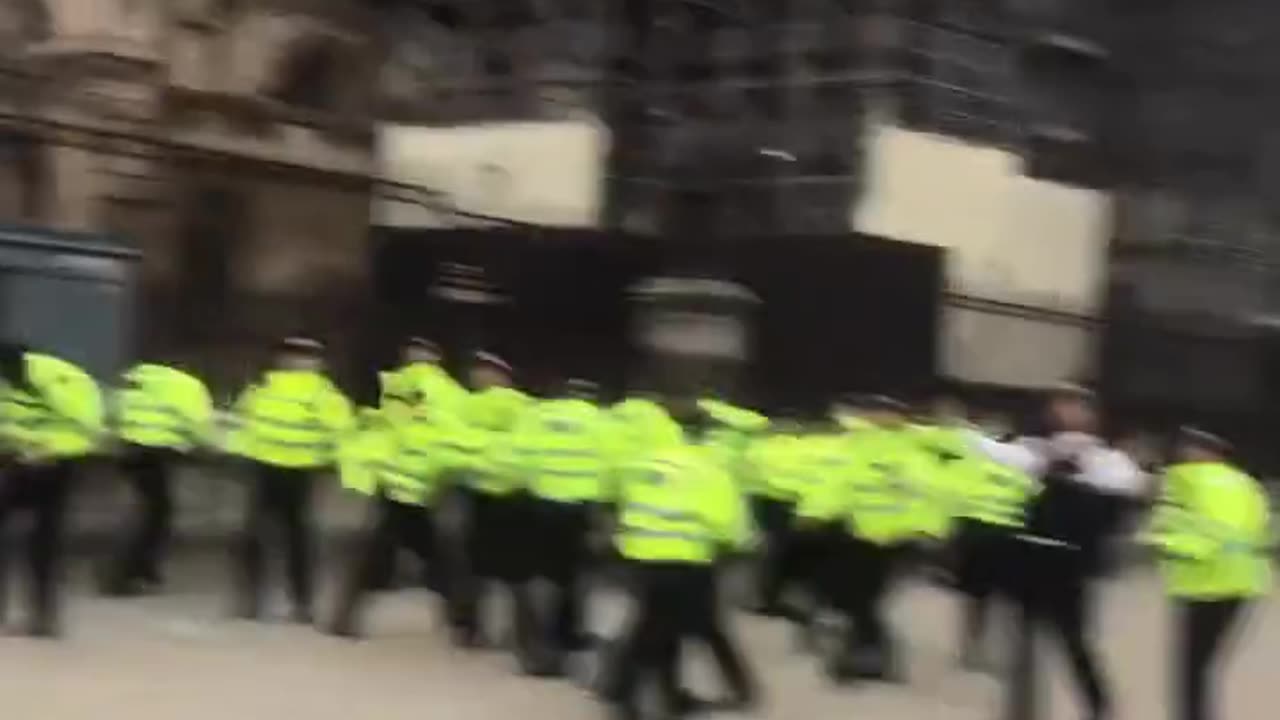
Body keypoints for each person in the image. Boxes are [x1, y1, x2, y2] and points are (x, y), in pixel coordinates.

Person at [972, 383, 1145, 720]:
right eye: (1060, 405)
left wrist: (1077, 469)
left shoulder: (1105, 459)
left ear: (1092, 415)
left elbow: (1130, 484)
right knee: (1022, 642)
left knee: (1074, 642)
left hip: (1069, 564)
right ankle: (1022, 710)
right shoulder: (1033, 449)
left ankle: (1098, 707)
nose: (1066, 412)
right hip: (1028, 558)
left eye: (1076, 406)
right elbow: (996, 454)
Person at [601, 397, 755, 720]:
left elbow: (618, 500)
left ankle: (653, 693)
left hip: (641, 557)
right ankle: (623, 693)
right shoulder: (710, 469)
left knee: (655, 625)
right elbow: (728, 526)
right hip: (688, 560)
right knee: (666, 629)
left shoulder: (643, 462)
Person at [797, 394, 931, 683]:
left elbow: (926, 494)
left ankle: (862, 658)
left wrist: (928, 529)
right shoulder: (856, 447)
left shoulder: (913, 452)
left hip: (896, 539)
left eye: (887, 412)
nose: (879, 418)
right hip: (860, 536)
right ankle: (868, 656)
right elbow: (835, 485)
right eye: (875, 412)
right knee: (858, 600)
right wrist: (814, 513)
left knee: (865, 601)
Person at [1141, 427, 1272, 720]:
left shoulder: (1183, 481)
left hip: (1201, 584)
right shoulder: (1247, 484)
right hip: (1243, 583)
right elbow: (1260, 530)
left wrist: (1161, 542)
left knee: (1190, 670)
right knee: (1206, 665)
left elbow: (1180, 533)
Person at [225, 336, 353, 623]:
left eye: (303, 356)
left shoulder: (322, 395)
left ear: (318, 362)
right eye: (292, 355)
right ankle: (254, 600)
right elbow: (242, 423)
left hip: (300, 473)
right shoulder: (263, 388)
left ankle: (300, 602)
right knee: (262, 537)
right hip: (265, 468)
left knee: (294, 539)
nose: (296, 361)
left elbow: (341, 434)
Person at [327, 394, 477, 638]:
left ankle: (344, 617)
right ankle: (464, 622)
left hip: (407, 502)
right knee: (438, 565)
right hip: (405, 502)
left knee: (430, 564)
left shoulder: (401, 428)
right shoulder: (424, 430)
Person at [0, 342, 105, 637]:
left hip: (56, 465)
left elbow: (88, 427)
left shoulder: (56, 378)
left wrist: (50, 452)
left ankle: (44, 617)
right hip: (20, 462)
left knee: (44, 540)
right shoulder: (8, 381)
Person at [508, 377, 611, 675]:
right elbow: (613, 468)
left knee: (541, 576)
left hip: (538, 503)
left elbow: (517, 458)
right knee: (575, 576)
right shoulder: (602, 421)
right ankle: (566, 637)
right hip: (581, 508)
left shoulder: (537, 416)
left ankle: (537, 647)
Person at [100, 360, 214, 596]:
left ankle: (137, 571)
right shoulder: (188, 386)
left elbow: (110, 414)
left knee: (141, 510)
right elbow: (198, 425)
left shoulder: (134, 380)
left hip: (128, 451)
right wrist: (207, 446)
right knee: (157, 514)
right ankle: (132, 573)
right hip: (157, 454)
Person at [451, 351, 536, 648]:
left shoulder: (469, 406)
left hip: (496, 495)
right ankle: (505, 632)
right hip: (500, 495)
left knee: (485, 568)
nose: (479, 376)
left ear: (502, 375)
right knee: (507, 570)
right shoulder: (527, 408)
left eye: (485, 370)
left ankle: (474, 628)